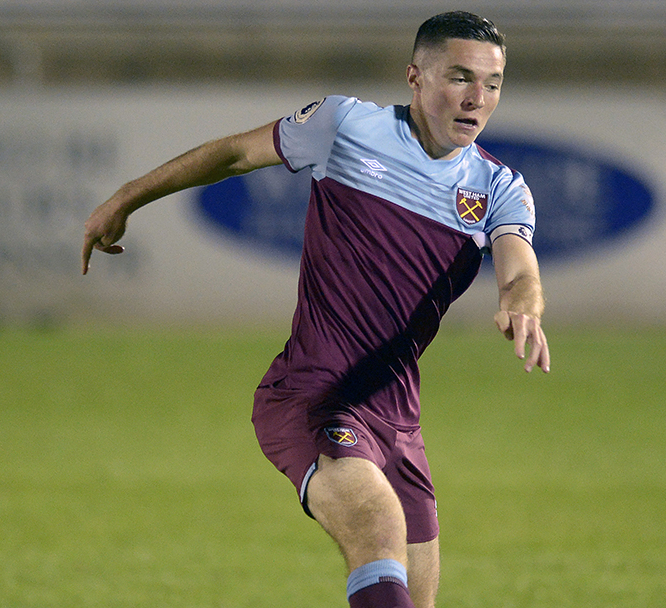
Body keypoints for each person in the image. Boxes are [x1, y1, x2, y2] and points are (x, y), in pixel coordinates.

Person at [81, 11, 550, 608]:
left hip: (399, 421)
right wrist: (125, 198)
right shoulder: (345, 125)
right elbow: (231, 155)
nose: (477, 99)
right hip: (313, 397)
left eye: (492, 83)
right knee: (377, 530)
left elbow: (520, 266)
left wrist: (522, 302)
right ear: (415, 78)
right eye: (460, 78)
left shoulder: (499, 188)